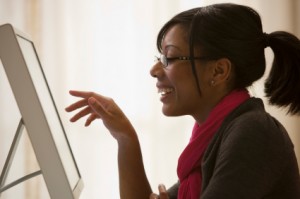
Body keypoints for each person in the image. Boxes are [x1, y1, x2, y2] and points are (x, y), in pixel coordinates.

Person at [65, 3, 300, 199]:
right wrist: (126, 138)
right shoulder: (214, 134)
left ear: (218, 71)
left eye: (170, 58)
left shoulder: (253, 132)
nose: (154, 70)